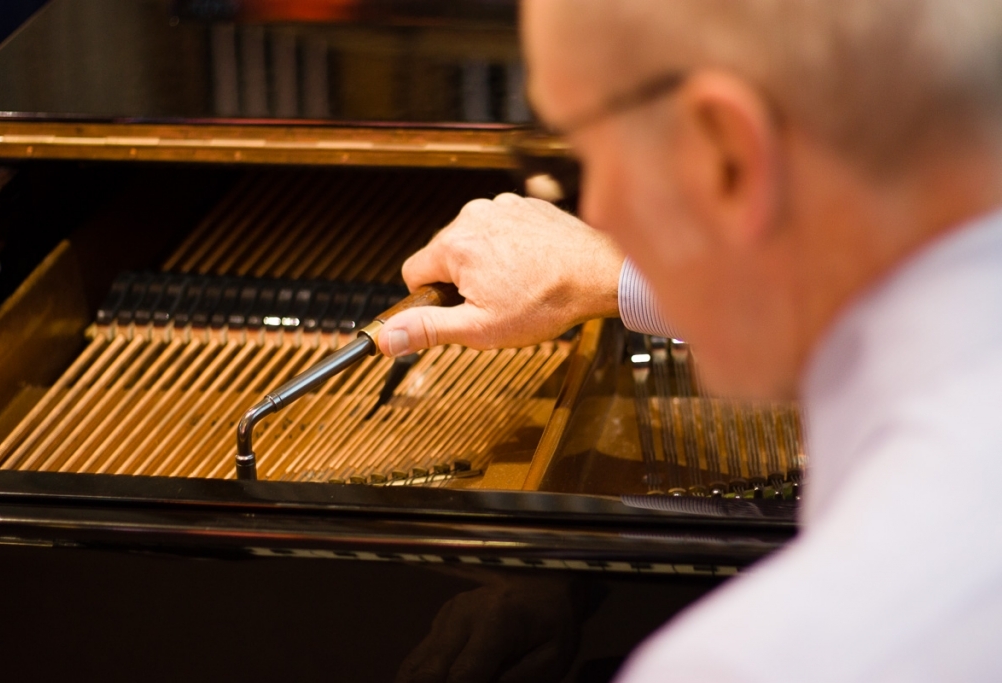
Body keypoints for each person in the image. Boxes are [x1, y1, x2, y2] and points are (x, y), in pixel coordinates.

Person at [380, 0, 1002, 680]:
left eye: (582, 153)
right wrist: (572, 569)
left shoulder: (748, 662)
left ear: (730, 152)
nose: (590, 221)